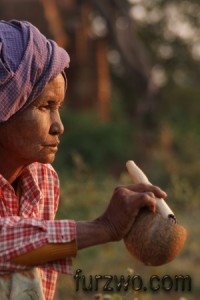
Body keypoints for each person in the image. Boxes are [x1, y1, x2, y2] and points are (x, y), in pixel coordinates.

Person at [0, 20, 167, 300]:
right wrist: (103, 228)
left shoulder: (43, 179)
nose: (59, 126)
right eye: (45, 106)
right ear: (7, 103)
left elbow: (32, 268)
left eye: (59, 108)